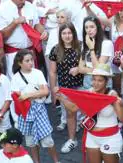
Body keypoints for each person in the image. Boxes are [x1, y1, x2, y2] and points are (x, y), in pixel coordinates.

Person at [57, 63, 123, 163]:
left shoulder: (112, 95)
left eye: (100, 80)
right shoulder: (89, 92)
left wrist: (120, 105)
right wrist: (61, 97)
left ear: (107, 82)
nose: (96, 83)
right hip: (92, 137)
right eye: (94, 79)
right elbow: (73, 108)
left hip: (110, 138)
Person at [10, 50, 59, 163]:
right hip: (26, 111)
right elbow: (19, 98)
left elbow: (46, 91)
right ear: (19, 63)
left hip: (39, 109)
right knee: (31, 142)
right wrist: (36, 93)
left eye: (31, 60)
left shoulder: (38, 73)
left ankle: (57, 162)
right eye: (27, 60)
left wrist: (28, 95)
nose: (31, 62)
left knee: (48, 140)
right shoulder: (15, 78)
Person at [48, 23, 83, 152]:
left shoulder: (81, 46)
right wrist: (54, 89)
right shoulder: (56, 49)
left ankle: (92, 141)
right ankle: (72, 139)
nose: (67, 36)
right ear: (60, 35)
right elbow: (52, 72)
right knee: (70, 113)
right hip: (65, 88)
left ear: (73, 33)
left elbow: (89, 65)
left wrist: (79, 69)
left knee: (89, 113)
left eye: (69, 33)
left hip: (81, 86)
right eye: (64, 33)